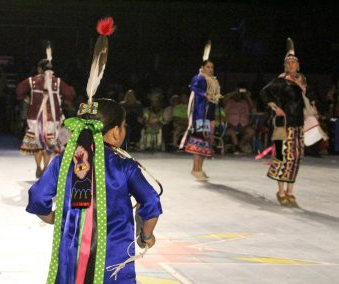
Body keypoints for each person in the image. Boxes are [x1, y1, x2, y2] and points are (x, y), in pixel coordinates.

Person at [26, 18, 162, 284]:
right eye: (123, 126)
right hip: (114, 264)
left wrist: (57, 219)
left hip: (71, 259)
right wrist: (146, 236)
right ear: (113, 132)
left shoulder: (63, 161)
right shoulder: (124, 166)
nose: (124, 131)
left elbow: (38, 198)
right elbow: (151, 204)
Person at [260, 38, 318, 207]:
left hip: (298, 124)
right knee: (282, 157)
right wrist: (275, 107)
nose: (292, 65)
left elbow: (310, 96)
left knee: (296, 158)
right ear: (286, 65)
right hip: (283, 123)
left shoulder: (303, 80)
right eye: (289, 63)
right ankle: (280, 191)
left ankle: (290, 192)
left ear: (298, 65)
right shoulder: (281, 80)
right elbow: (264, 93)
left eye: (294, 62)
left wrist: (313, 104)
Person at [16, 43, 74, 178]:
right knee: (49, 143)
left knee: (37, 142)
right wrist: (64, 100)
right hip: (52, 119)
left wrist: (26, 98)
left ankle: (38, 166)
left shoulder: (32, 81)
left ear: (39, 69)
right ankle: (46, 168)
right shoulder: (57, 82)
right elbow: (69, 93)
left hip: (34, 117)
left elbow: (19, 90)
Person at [180, 41, 223, 180]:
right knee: (199, 142)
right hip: (200, 115)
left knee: (207, 144)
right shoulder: (199, 78)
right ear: (203, 67)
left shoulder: (212, 80)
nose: (211, 69)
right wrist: (206, 95)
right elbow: (195, 88)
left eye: (212, 67)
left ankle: (200, 169)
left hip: (209, 115)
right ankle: (195, 169)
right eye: (208, 67)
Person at [223, 82, 255, 154]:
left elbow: (252, 107)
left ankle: (240, 145)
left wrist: (247, 96)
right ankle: (236, 147)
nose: (238, 95)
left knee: (251, 131)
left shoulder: (245, 102)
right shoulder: (229, 102)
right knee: (232, 131)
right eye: (237, 93)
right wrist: (235, 92)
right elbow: (224, 98)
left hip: (244, 124)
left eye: (240, 93)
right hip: (231, 124)